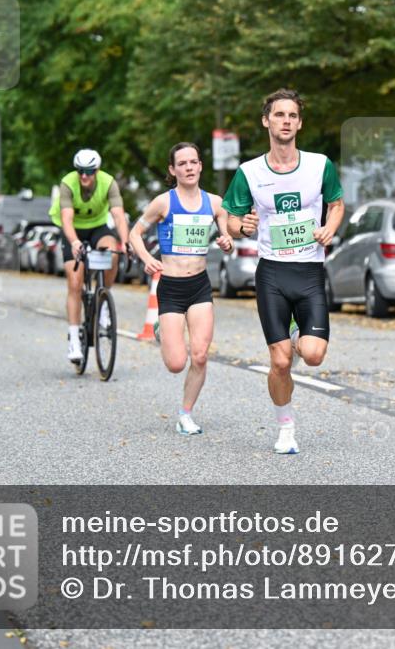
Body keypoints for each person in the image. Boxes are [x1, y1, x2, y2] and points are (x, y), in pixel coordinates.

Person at [223, 89, 345, 454]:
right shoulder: (249, 172)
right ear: (267, 121)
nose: (286, 121)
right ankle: (286, 428)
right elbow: (230, 220)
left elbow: (336, 204)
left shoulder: (320, 164)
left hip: (308, 272)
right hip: (272, 273)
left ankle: (296, 335)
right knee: (279, 361)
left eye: (292, 115)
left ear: (300, 123)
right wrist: (241, 226)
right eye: (279, 115)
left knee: (312, 354)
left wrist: (329, 227)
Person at [130, 142, 234, 435]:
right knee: (176, 363)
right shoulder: (163, 202)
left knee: (200, 355)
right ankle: (165, 334)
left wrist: (227, 242)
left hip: (200, 286)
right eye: (182, 163)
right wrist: (148, 258)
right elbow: (135, 233)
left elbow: (227, 238)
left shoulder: (215, 202)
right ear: (172, 170)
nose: (189, 167)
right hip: (172, 288)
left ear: (201, 166)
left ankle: (185, 414)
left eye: (193, 162)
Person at [49, 149, 130, 363]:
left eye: (89, 171)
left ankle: (103, 300)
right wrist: (75, 242)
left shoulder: (108, 182)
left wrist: (125, 240)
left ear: (97, 170)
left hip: (97, 228)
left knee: (112, 250)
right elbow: (66, 219)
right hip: (72, 230)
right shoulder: (68, 184)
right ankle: (74, 337)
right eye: (81, 171)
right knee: (75, 282)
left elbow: (118, 215)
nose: (84, 175)